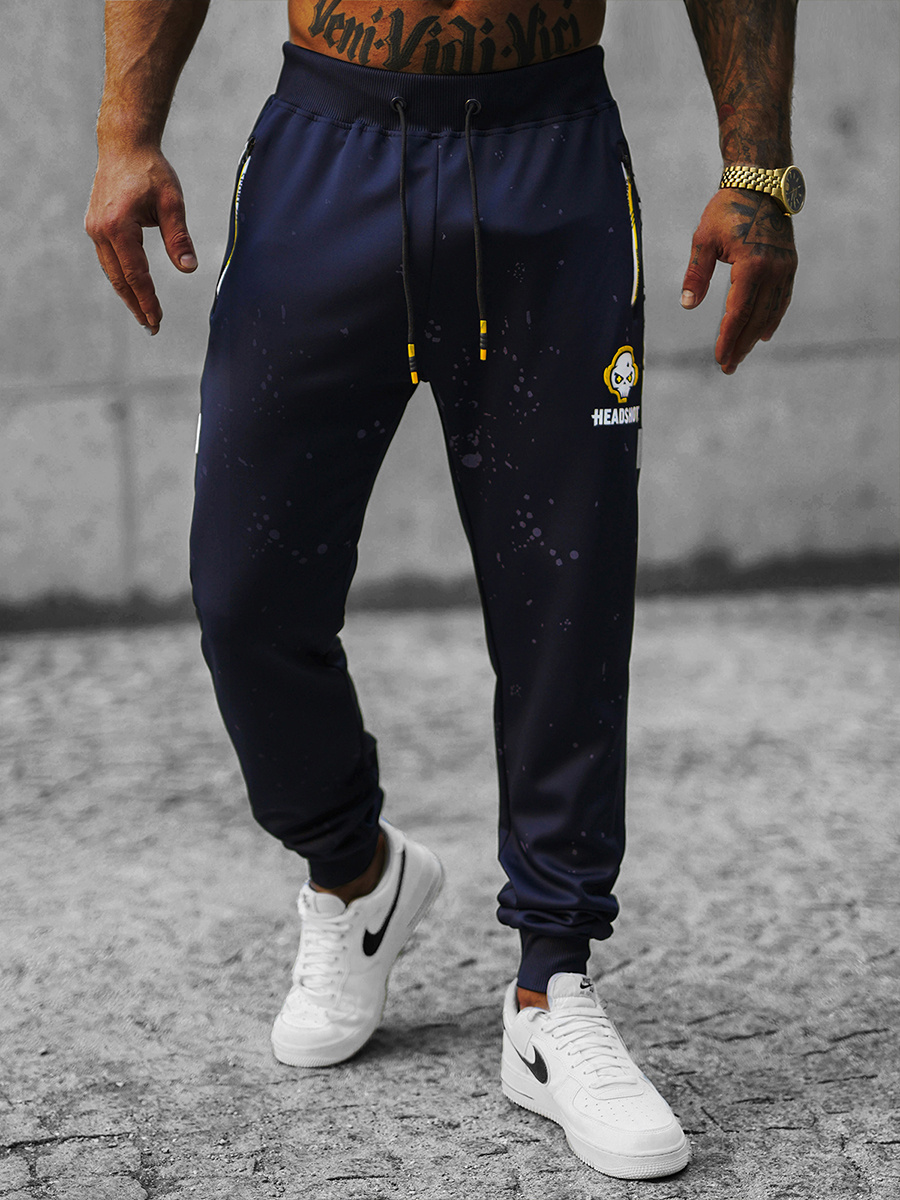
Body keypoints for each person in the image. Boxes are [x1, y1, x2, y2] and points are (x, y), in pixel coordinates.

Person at [86, 0, 800, 1180]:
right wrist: (127, 134)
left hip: (550, 158)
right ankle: (354, 873)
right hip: (329, 149)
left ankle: (551, 988)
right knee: (244, 590)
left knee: (565, 597)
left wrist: (758, 174)